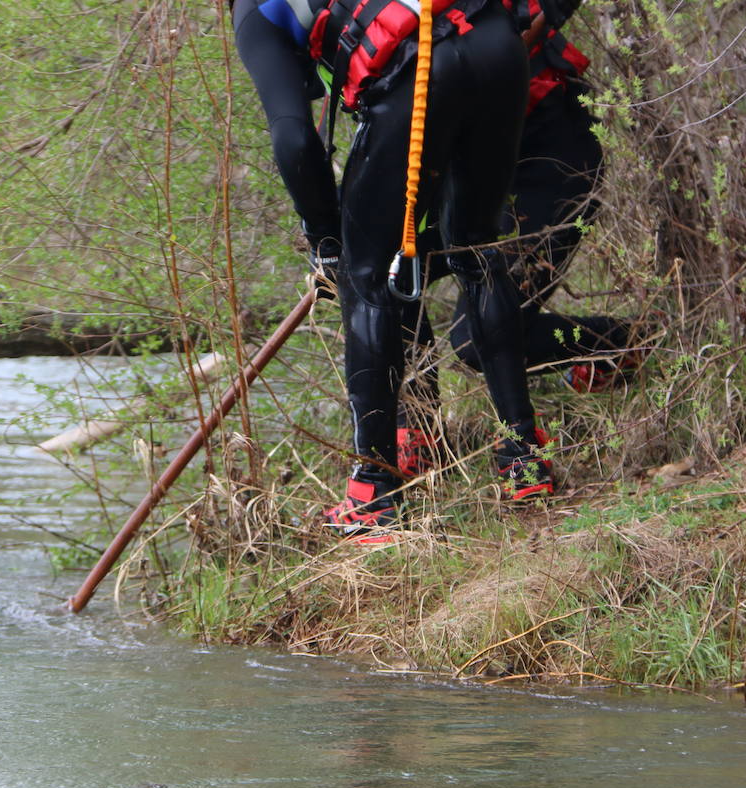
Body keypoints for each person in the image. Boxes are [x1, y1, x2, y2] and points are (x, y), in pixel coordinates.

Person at [231, 0, 577, 540]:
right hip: (497, 49)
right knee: (477, 251)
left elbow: (294, 140)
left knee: (364, 280)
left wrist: (328, 241)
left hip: (417, 71)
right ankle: (524, 462)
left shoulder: (254, 10)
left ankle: (373, 493)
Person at [395, 0, 639, 480]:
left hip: (550, 161)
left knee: (473, 340)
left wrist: (492, 55)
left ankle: (618, 341)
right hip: (472, 179)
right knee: (399, 266)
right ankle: (420, 434)